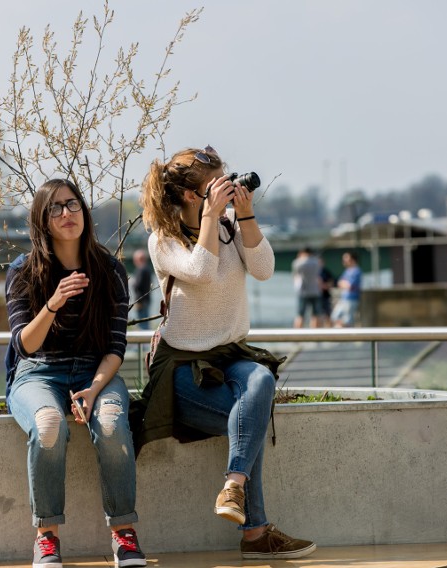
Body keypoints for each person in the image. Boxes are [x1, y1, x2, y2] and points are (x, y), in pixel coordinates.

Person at [133, 146, 316, 560]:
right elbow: (201, 270)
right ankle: (256, 535)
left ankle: (233, 487)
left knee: (262, 380)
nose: (227, 188)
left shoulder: (233, 224)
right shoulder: (163, 238)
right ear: (191, 196)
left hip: (230, 354)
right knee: (247, 424)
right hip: (180, 366)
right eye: (216, 184)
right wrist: (212, 218)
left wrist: (245, 214)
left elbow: (265, 269)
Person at [4, 179, 145, 568]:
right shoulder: (23, 272)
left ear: (84, 211)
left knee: (113, 425)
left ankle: (124, 533)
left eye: (73, 205)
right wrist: (53, 303)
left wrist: (95, 389)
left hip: (95, 369)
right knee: (49, 425)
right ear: (42, 220)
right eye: (55, 208)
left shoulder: (110, 271)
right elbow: (25, 345)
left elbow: (115, 348)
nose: (67, 214)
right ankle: (47, 538)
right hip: (37, 372)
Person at [292, 247, 322, 328]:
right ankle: (315, 336)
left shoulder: (298, 262)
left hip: (303, 291)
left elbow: (295, 273)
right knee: (316, 315)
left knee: (300, 315)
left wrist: (299, 258)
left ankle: (297, 337)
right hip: (315, 290)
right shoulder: (316, 262)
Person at [331, 252, 361, 327]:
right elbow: (339, 282)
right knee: (334, 317)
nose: (344, 260)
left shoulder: (356, 271)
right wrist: (344, 284)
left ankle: (348, 337)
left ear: (353, 260)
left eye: (346, 258)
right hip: (343, 298)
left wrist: (344, 284)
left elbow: (349, 286)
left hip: (351, 299)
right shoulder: (347, 271)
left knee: (348, 320)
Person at [129, 249, 153, 329]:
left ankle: (144, 341)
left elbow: (137, 285)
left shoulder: (141, 270)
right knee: (145, 321)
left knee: (143, 324)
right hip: (146, 300)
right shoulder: (147, 269)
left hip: (141, 301)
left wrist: (132, 282)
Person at [317, 256, 335, 328]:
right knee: (317, 316)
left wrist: (324, 286)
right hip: (316, 297)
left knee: (328, 315)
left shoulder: (326, 272)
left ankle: (329, 330)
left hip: (325, 296)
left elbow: (331, 282)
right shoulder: (313, 272)